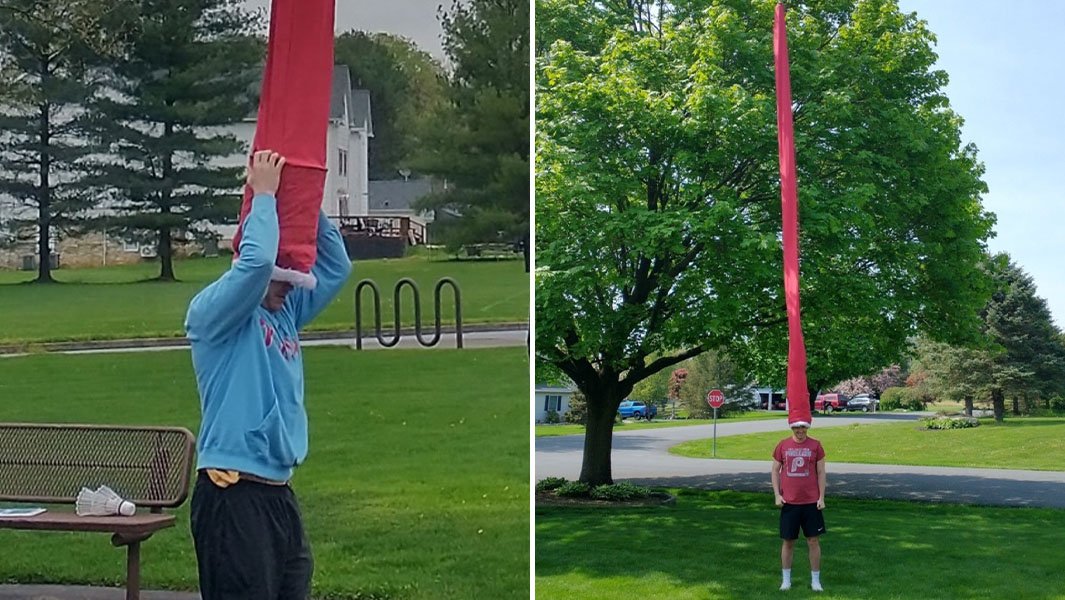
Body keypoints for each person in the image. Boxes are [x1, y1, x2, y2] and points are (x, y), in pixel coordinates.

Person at [185, 150, 352, 599]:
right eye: (286, 277)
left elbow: (337, 267)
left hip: (279, 494)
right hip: (231, 495)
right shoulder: (215, 315)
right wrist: (264, 195)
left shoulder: (284, 313)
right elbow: (256, 265)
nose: (292, 286)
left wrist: (299, 200)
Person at [771, 420, 827, 592]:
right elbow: (775, 470)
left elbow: (821, 472)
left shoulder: (816, 445)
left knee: (813, 541)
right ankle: (786, 581)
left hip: (811, 502)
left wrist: (821, 497)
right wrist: (777, 495)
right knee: (788, 542)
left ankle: (815, 581)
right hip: (789, 502)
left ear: (807, 428)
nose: (799, 430)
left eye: (802, 427)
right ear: (792, 427)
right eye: (796, 427)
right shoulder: (782, 445)